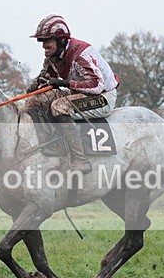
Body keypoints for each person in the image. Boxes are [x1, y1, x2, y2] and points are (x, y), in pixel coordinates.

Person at [26, 14, 119, 173]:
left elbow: (97, 85)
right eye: (42, 41)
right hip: (78, 92)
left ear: (61, 40)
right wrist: (34, 86)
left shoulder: (81, 54)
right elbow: (47, 76)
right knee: (33, 101)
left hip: (102, 96)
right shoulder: (52, 55)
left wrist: (64, 83)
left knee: (59, 107)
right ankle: (49, 145)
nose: (44, 46)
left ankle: (80, 160)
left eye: (48, 41)